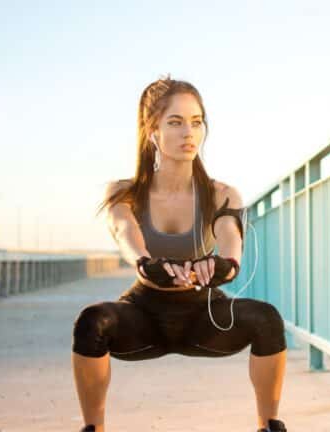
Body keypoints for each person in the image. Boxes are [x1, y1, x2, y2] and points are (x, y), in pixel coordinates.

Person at [71, 75, 288, 432]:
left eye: (196, 122)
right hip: (144, 314)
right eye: (175, 122)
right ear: (152, 130)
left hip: (204, 314)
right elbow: (126, 232)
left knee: (266, 318)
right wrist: (145, 263)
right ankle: (93, 428)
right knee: (92, 321)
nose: (188, 132)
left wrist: (226, 266)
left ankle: (269, 426)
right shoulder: (124, 192)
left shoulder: (221, 194)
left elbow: (229, 235)